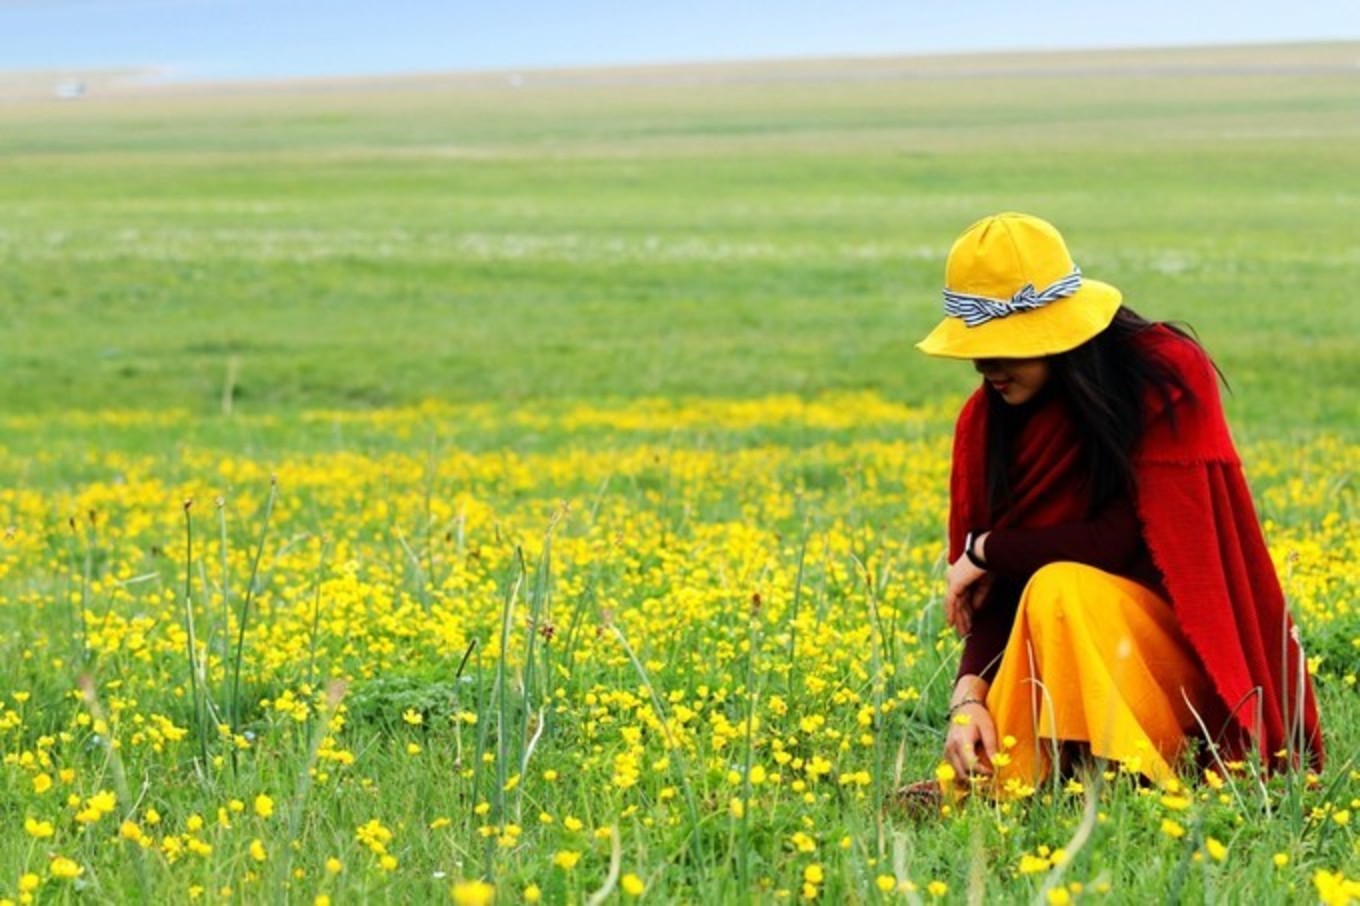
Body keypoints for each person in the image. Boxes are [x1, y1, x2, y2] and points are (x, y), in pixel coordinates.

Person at [914, 212, 1323, 793]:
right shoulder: (984, 425)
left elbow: (1121, 538)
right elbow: (995, 592)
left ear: (1060, 330)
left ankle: (1129, 778)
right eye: (976, 349)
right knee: (1049, 590)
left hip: (1178, 663)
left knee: (1060, 587)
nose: (985, 366)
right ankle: (1009, 778)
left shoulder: (1162, 376)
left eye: (1005, 347)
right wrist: (967, 698)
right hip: (1068, 650)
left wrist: (986, 548)